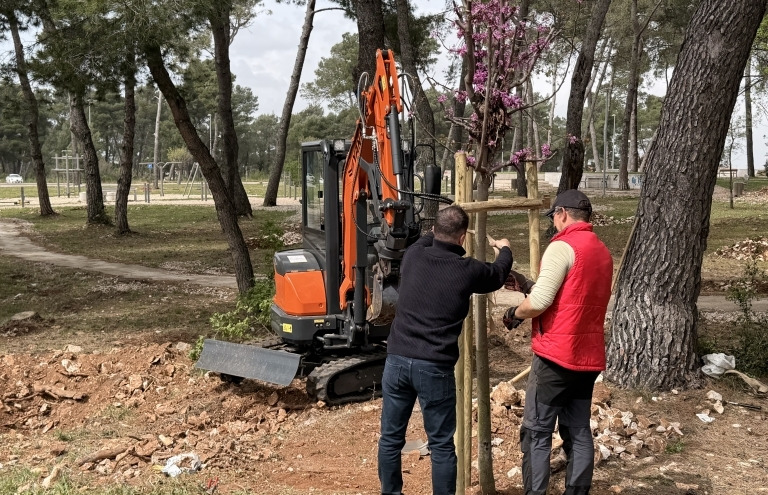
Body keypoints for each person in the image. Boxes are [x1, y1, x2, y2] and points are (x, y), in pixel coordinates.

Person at [378, 205, 513, 495]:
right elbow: (499, 273)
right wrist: (504, 249)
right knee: (440, 445)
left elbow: (428, 238)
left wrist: (437, 226)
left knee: (390, 439)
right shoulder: (467, 270)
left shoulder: (413, 255)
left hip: (397, 360)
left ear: (436, 230)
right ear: (463, 238)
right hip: (433, 366)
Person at [502, 189, 613, 495]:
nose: (554, 223)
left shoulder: (562, 246)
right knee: (577, 430)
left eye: (554, 216)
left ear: (562, 213)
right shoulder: (602, 252)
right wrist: (525, 282)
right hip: (586, 357)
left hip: (556, 357)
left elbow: (539, 303)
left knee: (536, 432)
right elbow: (573, 297)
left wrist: (514, 312)